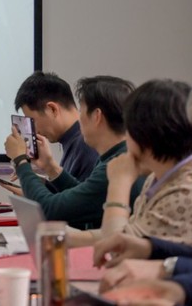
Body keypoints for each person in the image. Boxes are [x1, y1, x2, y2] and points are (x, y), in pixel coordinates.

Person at [4, 76, 136, 229]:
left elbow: (51, 210)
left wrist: (21, 160)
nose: (79, 119)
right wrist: (50, 167)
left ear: (97, 116)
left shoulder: (115, 165)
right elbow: (82, 197)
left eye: (82, 112)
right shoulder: (113, 158)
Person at [71, 79, 192, 247]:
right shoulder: (156, 177)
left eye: (128, 129)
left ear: (143, 135)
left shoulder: (184, 192)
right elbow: (133, 231)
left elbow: (117, 247)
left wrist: (119, 183)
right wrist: (67, 237)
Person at [7, 71, 99, 186]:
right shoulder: (74, 140)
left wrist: (21, 161)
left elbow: (79, 197)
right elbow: (71, 191)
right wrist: (34, 186)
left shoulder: (87, 143)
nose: (34, 130)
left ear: (52, 109)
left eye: (32, 121)